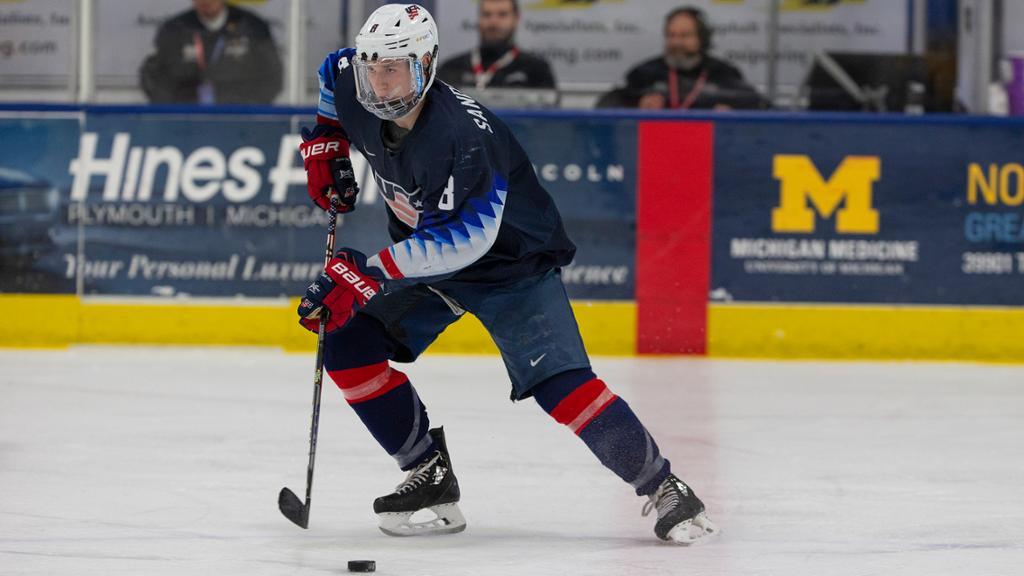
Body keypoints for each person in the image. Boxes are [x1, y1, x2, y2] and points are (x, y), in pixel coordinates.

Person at [295, 3, 717, 545]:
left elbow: (468, 240)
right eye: (374, 67)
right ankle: (429, 475)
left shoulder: (463, 136)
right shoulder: (353, 78)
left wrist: (367, 272)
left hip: (509, 268)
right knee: (346, 345)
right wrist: (326, 144)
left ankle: (665, 487)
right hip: (426, 262)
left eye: (394, 68)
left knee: (560, 386)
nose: (379, 80)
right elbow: (333, 73)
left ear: (425, 65)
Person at [616, 6, 764, 110]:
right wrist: (637, 105)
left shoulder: (724, 73)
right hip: (654, 148)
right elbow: (610, 106)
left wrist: (733, 113)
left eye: (685, 35)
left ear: (702, 38)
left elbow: (758, 106)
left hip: (711, 150)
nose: (676, 42)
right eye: (671, 35)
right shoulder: (643, 73)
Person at [140, 0, 282, 105]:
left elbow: (272, 76)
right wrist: (172, 110)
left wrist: (250, 108)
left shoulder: (251, 26)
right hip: (185, 122)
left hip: (240, 120)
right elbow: (152, 76)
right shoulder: (175, 28)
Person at [437, 0, 556, 90]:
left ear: (516, 18)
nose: (493, 22)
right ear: (478, 18)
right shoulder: (451, 68)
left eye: (502, 14)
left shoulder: (537, 70)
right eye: (487, 14)